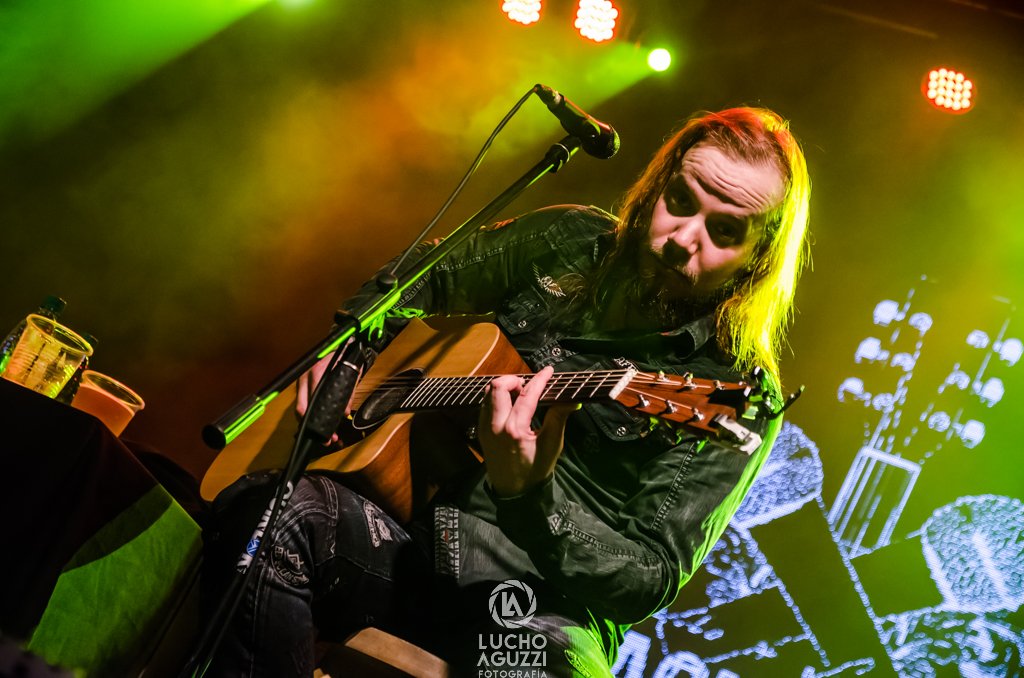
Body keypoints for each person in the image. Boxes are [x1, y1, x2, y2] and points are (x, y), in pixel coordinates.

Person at [203, 106, 811, 677]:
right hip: (414, 537)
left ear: (758, 257)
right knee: (270, 512)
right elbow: (419, 279)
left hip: (541, 605)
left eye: (725, 231)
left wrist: (531, 495)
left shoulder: (733, 389)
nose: (682, 238)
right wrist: (347, 360)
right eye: (680, 201)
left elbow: (648, 577)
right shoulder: (568, 240)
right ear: (657, 185)